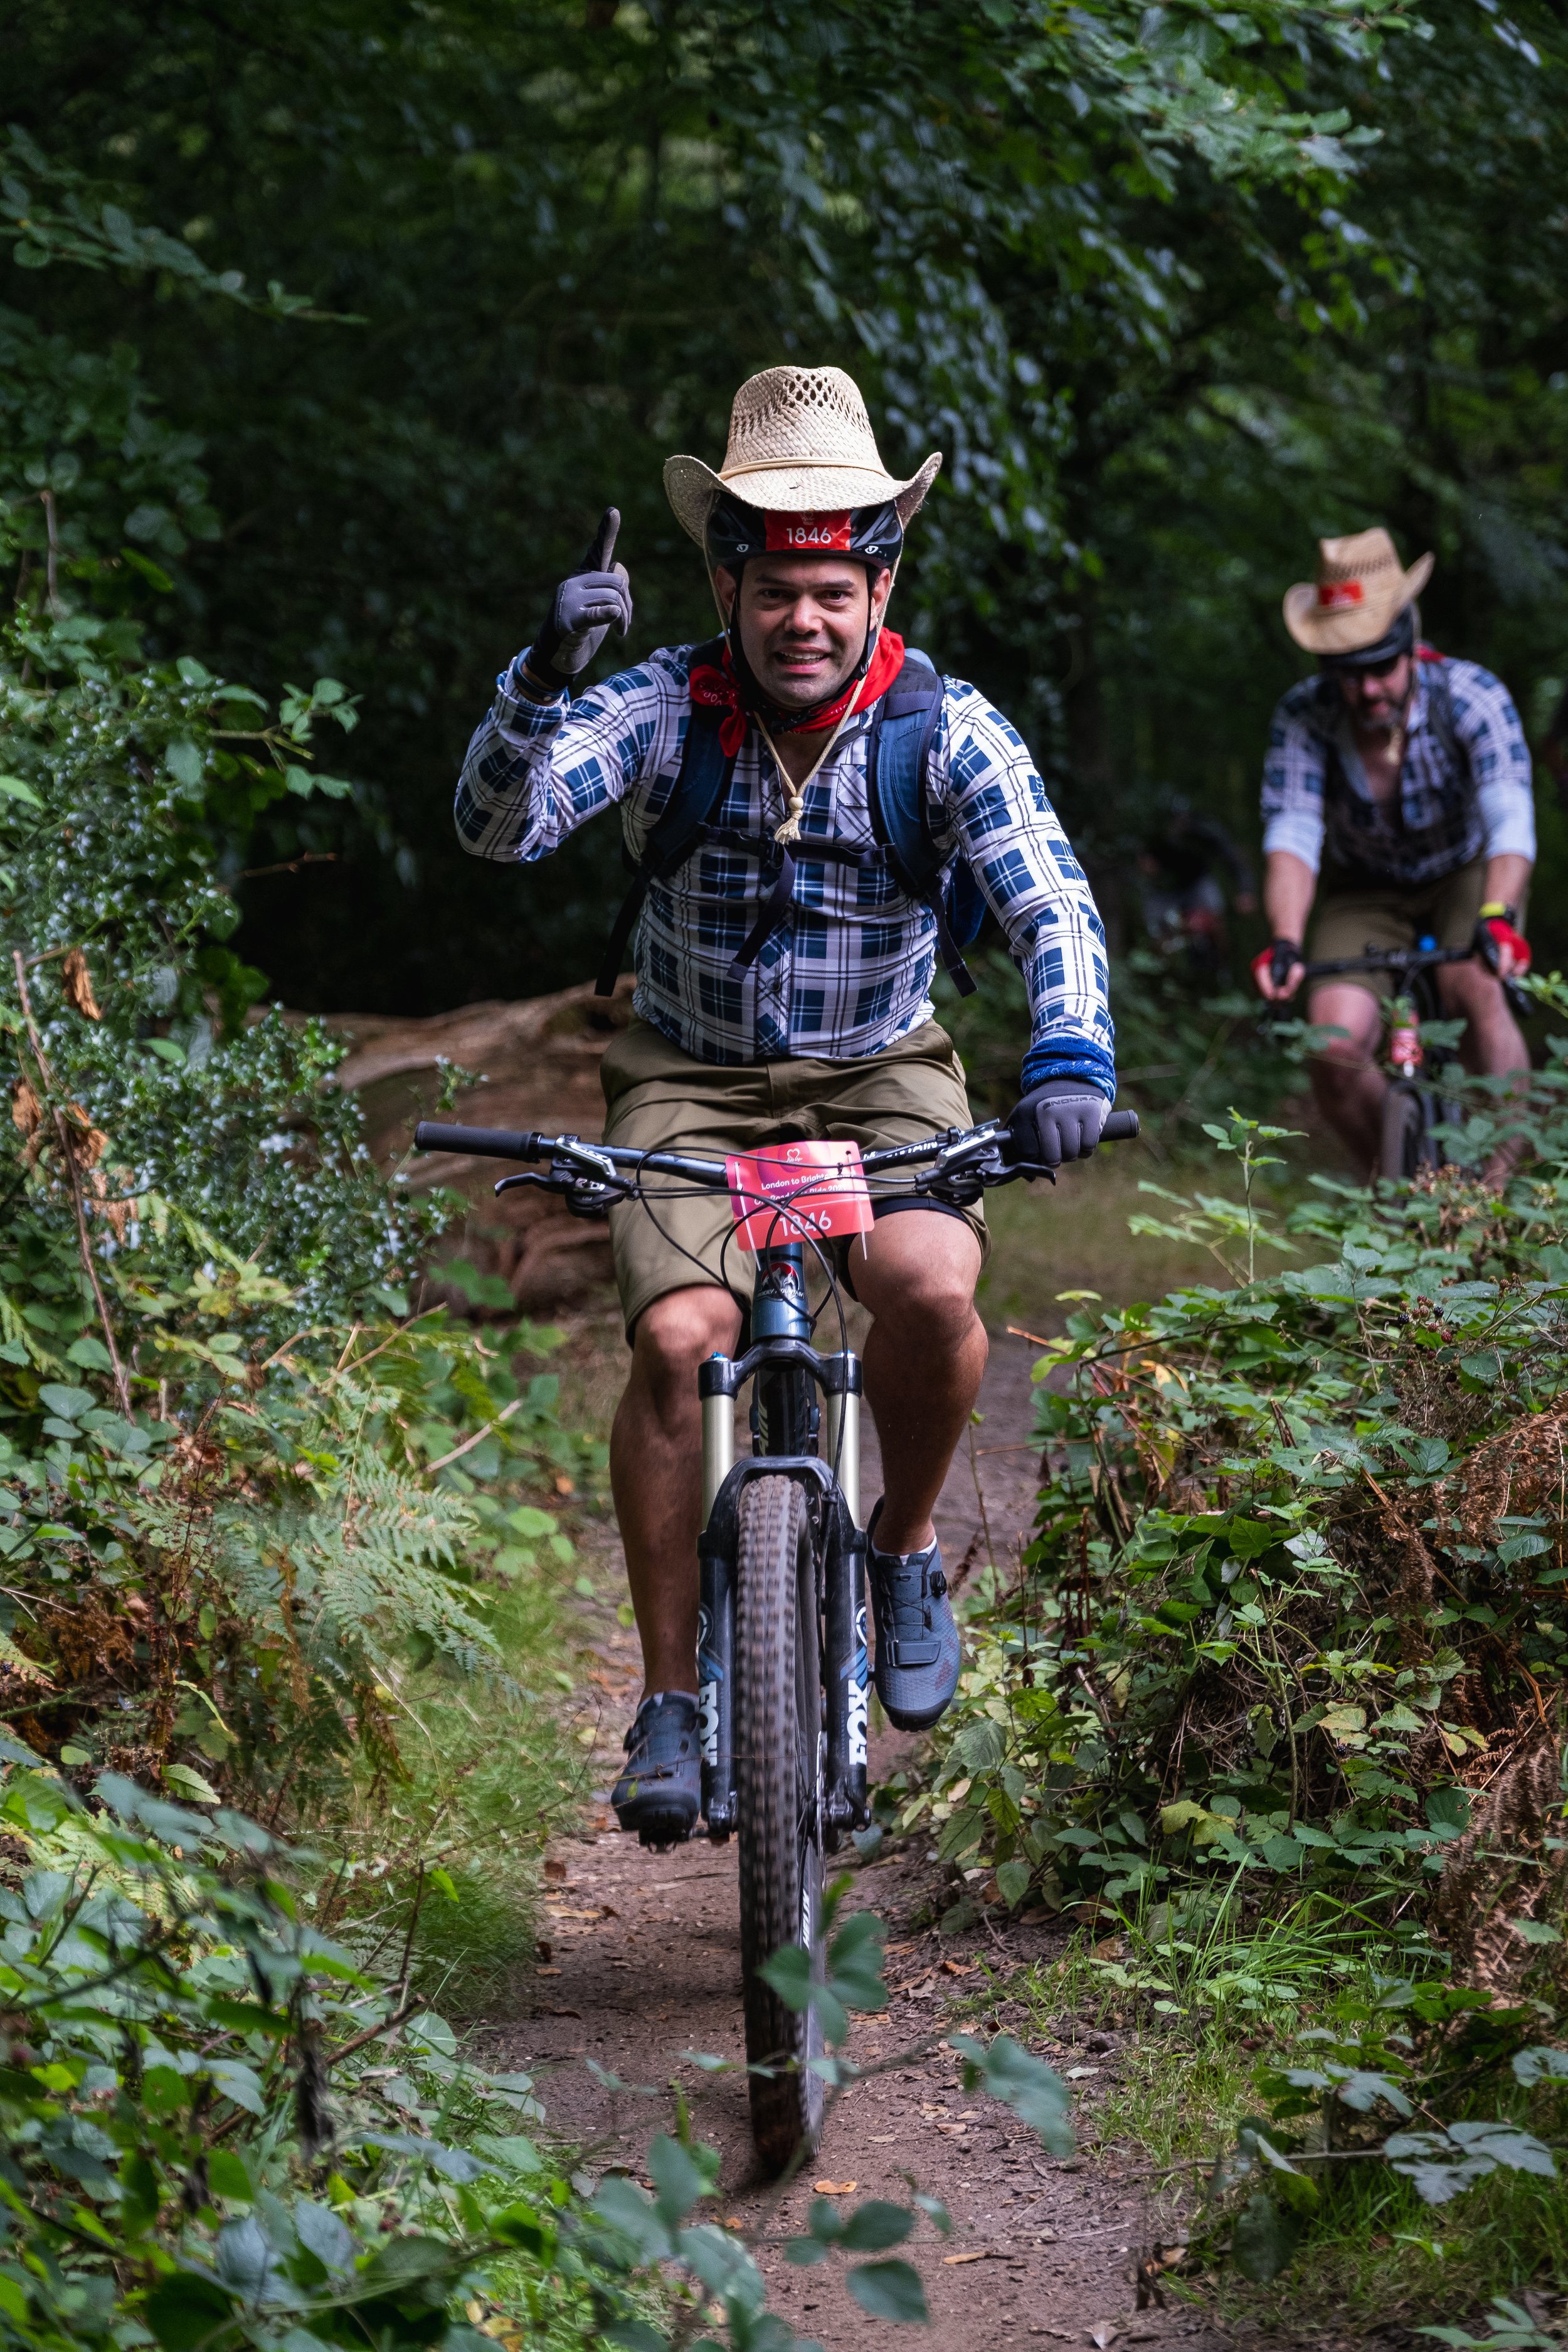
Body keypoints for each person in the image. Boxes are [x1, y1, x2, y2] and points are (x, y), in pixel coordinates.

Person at [455, 365, 1116, 1841]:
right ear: (725, 586)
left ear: (879, 585)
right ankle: (668, 1699)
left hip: (882, 1069)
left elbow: (1049, 901)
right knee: (676, 1338)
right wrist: (539, 680)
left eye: (830, 590)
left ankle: (902, 1548)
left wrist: (1071, 1058)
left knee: (931, 1288)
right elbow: (501, 830)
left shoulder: (944, 730)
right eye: (771, 591)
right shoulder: (658, 706)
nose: (800, 621)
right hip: (686, 1074)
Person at [1252, 527, 1535, 1173]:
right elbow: (1292, 833)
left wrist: (1498, 915)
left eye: (1381, 667)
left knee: (1476, 987)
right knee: (1331, 1044)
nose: (1368, 690)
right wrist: (1286, 939)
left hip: (1465, 874)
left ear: (1410, 644)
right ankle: (1403, 1192)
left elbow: (1510, 815)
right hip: (1364, 889)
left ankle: (1492, 1192)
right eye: (1347, 674)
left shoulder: (1472, 695)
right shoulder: (1304, 717)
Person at [1136, 799, 1256, 982]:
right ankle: (1157, 971)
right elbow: (1147, 856)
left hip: (1200, 882)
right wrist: (1148, 863)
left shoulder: (1206, 831)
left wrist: (1246, 890)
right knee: (1155, 920)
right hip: (1171, 888)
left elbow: (1233, 859)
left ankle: (1223, 968)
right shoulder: (1160, 833)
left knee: (1214, 917)